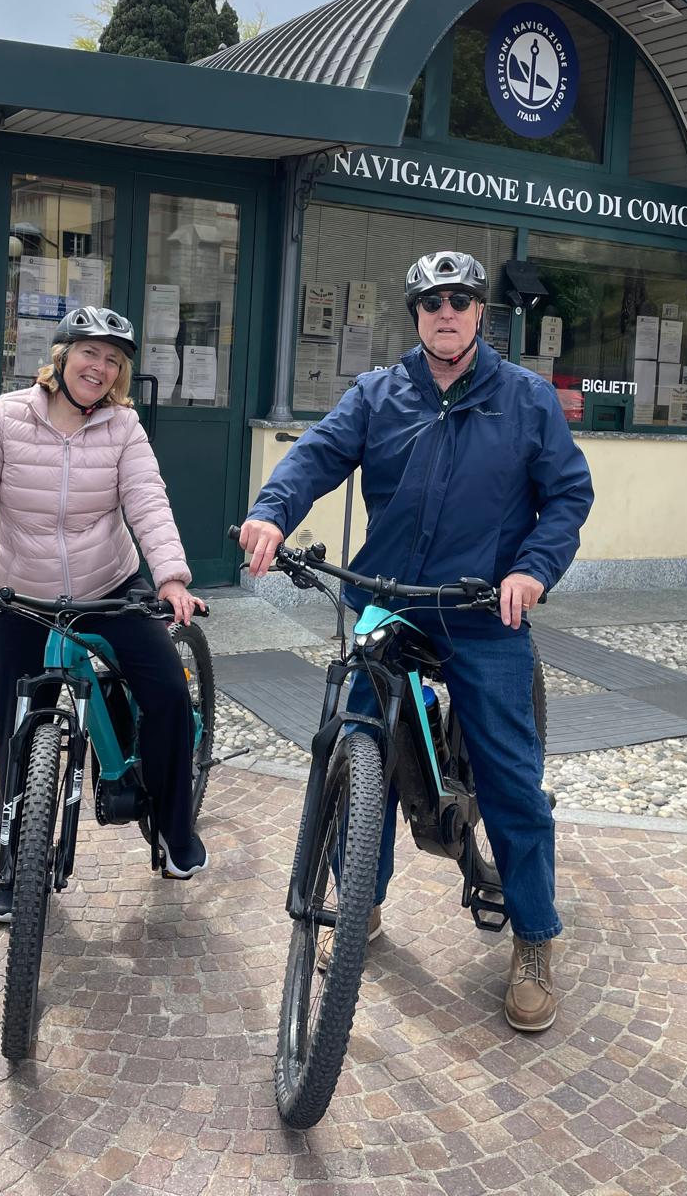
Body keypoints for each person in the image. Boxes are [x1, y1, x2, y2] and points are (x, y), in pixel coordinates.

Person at [240, 251, 593, 1031]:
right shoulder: (378, 394)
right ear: (417, 314)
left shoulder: (526, 400)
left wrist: (532, 570)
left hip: (478, 608)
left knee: (509, 775)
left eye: (460, 300)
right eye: (432, 301)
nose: (447, 312)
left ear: (478, 315)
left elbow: (568, 495)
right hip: (388, 601)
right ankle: (358, 904)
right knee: (351, 741)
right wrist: (271, 510)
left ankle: (534, 935)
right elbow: (319, 456)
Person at [0, 304, 207, 923]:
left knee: (166, 694)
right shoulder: (5, 416)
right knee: (16, 730)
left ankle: (172, 830)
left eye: (113, 360)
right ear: (60, 358)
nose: (100, 368)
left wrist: (171, 578)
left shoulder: (123, 428)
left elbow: (147, 501)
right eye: (89, 354)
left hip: (107, 586)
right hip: (20, 595)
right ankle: (10, 865)